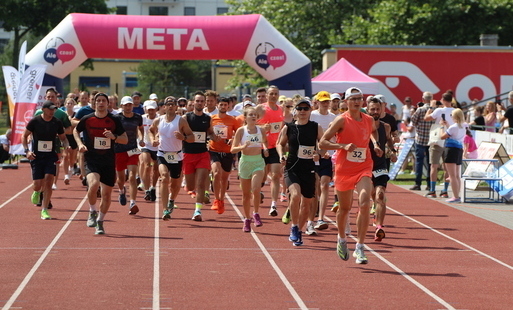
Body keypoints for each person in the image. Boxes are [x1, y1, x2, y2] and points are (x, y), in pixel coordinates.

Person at [319, 87, 383, 264]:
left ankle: (360, 247)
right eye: (353, 98)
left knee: (364, 202)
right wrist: (343, 146)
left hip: (364, 166)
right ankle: (341, 239)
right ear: (346, 102)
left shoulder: (369, 119)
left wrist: (375, 144)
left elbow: (373, 131)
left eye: (359, 98)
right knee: (345, 208)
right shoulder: (341, 120)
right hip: (344, 169)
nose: (357, 101)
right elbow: (323, 142)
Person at [74, 92, 128, 234]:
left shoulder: (114, 120)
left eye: (104, 100)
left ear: (107, 103)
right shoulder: (87, 119)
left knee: (106, 195)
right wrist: (80, 144)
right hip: (92, 159)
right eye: (98, 101)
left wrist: (114, 136)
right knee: (93, 184)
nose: (101, 103)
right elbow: (75, 130)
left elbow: (125, 139)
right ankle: (92, 211)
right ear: (94, 103)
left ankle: (100, 221)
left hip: (108, 161)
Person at [277, 99, 323, 246]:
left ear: (310, 111)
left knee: (307, 204)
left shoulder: (316, 127)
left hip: (308, 168)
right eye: (300, 108)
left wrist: (319, 154)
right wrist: (281, 155)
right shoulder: (289, 128)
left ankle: (299, 229)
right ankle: (294, 227)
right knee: (295, 195)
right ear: (295, 111)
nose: (303, 111)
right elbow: (280, 144)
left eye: (305, 108)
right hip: (292, 167)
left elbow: (323, 144)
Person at [148, 96, 195, 220]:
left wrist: (183, 137)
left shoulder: (181, 121)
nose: (170, 106)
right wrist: (154, 140)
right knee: (164, 177)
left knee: (175, 184)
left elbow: (192, 137)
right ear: (164, 106)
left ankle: (172, 199)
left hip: (177, 155)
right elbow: (151, 130)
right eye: (168, 104)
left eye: (172, 104)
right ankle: (165, 209)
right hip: (162, 153)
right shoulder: (159, 120)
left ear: (176, 107)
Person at [23, 101, 68, 220]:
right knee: (37, 184)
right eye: (50, 109)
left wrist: (65, 148)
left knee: (49, 180)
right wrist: (27, 151)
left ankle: (44, 209)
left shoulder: (56, 122)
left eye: (54, 109)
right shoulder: (35, 121)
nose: (52, 111)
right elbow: (24, 135)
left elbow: (63, 138)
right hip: (36, 156)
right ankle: (37, 191)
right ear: (43, 109)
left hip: (50, 156)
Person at [183, 91, 219, 221]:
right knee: (191, 186)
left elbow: (210, 133)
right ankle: (199, 195)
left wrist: (216, 137)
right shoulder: (186, 117)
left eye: (201, 101)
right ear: (193, 102)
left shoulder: (207, 118)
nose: (199, 103)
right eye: (197, 101)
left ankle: (197, 211)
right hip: (188, 154)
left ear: (204, 103)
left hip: (202, 153)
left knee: (200, 184)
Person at [231, 107, 269, 231]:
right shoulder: (241, 131)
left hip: (258, 162)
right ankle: (247, 219)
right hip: (245, 163)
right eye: (250, 114)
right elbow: (232, 149)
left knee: (256, 189)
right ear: (245, 117)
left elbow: (264, 142)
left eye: (255, 115)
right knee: (246, 195)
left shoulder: (261, 130)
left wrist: (266, 148)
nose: (253, 116)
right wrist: (243, 146)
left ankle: (256, 213)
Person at [367, 98, 396, 241]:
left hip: (380, 165)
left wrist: (393, 152)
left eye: (377, 109)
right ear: (367, 109)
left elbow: (389, 140)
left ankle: (379, 227)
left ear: (382, 110)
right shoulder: (362, 126)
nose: (375, 112)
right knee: (369, 195)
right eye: (372, 109)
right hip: (365, 166)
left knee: (380, 195)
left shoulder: (385, 127)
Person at [309, 91, 337, 233]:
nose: (325, 103)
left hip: (327, 156)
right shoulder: (312, 115)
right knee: (314, 188)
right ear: (317, 102)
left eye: (327, 101)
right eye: (323, 101)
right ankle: (311, 218)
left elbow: (336, 137)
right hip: (312, 156)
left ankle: (320, 218)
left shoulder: (334, 117)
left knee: (325, 185)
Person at [256, 86, 285, 216]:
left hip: (275, 146)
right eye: (271, 94)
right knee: (261, 176)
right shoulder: (260, 108)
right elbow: (249, 125)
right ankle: (258, 189)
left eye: (276, 94)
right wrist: (262, 127)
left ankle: (273, 204)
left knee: (275, 175)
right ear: (266, 95)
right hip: (261, 147)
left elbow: (281, 127)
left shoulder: (280, 109)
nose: (274, 96)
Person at [209, 97, 240, 214]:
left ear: (228, 106)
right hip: (214, 150)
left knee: (224, 178)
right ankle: (216, 199)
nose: (223, 107)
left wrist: (232, 139)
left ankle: (221, 199)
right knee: (216, 173)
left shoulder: (233, 120)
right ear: (217, 105)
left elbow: (238, 133)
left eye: (225, 105)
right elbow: (208, 132)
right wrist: (212, 137)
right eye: (221, 104)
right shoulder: (212, 119)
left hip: (227, 151)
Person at [114, 96, 144, 215]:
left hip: (132, 150)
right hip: (119, 150)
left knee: (132, 176)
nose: (128, 107)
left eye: (130, 105)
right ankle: (122, 191)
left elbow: (141, 129)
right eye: (126, 105)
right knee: (121, 179)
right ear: (121, 106)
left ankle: (133, 202)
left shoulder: (137, 117)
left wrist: (141, 139)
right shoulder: (117, 118)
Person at [424, 93, 455, 198]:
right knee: (447, 167)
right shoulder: (455, 111)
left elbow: (426, 118)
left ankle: (432, 190)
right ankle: (445, 190)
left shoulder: (439, 110)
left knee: (434, 165)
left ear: (443, 100)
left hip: (438, 139)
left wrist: (431, 107)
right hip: (450, 140)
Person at [440, 109, 467, 203]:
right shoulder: (463, 126)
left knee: (452, 175)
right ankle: (457, 195)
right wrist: (447, 125)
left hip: (451, 149)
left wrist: (441, 127)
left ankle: (455, 196)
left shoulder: (454, 127)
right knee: (456, 175)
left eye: (452, 115)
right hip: (459, 149)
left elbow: (442, 136)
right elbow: (452, 132)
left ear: (455, 116)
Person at [410, 91, 435, 191]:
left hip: (420, 138)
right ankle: (429, 183)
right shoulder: (435, 110)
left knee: (419, 162)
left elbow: (413, 121)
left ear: (423, 99)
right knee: (430, 162)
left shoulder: (420, 109)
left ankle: (418, 183)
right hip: (431, 139)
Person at [140, 100, 160, 202]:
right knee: (146, 166)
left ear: (156, 109)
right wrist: (140, 139)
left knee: (156, 170)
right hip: (146, 145)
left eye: (152, 109)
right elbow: (138, 129)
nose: (150, 112)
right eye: (149, 110)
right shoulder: (142, 118)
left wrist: (156, 139)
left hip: (157, 147)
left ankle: (153, 187)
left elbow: (160, 131)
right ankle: (147, 190)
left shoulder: (160, 119)